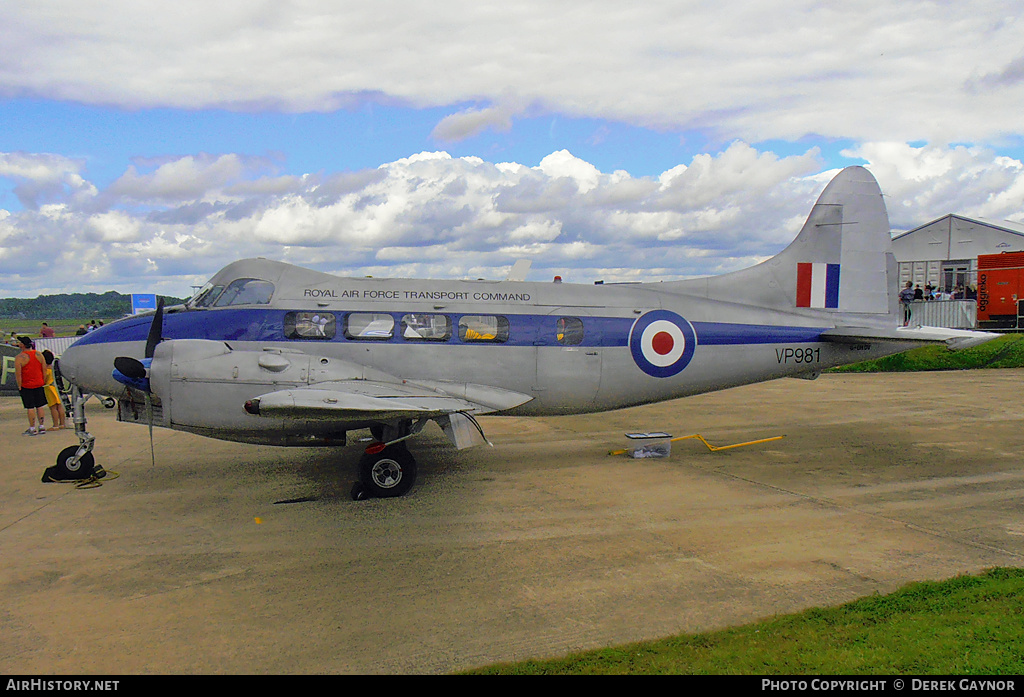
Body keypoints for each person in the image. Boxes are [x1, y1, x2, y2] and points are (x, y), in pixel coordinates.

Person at [15, 336, 48, 436]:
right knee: (40, 406)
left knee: (30, 407)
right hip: (39, 383)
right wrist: (43, 381)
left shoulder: (20, 358)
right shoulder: (39, 354)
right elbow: (44, 370)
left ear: (23, 345)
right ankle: (41, 426)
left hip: (27, 385)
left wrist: (19, 386)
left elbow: (18, 374)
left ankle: (32, 427)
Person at [41, 349, 66, 430]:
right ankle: (62, 423)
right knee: (60, 406)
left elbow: (44, 379)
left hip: (49, 388)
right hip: (56, 387)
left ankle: (55, 425)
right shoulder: (54, 368)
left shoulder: (45, 369)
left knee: (53, 407)